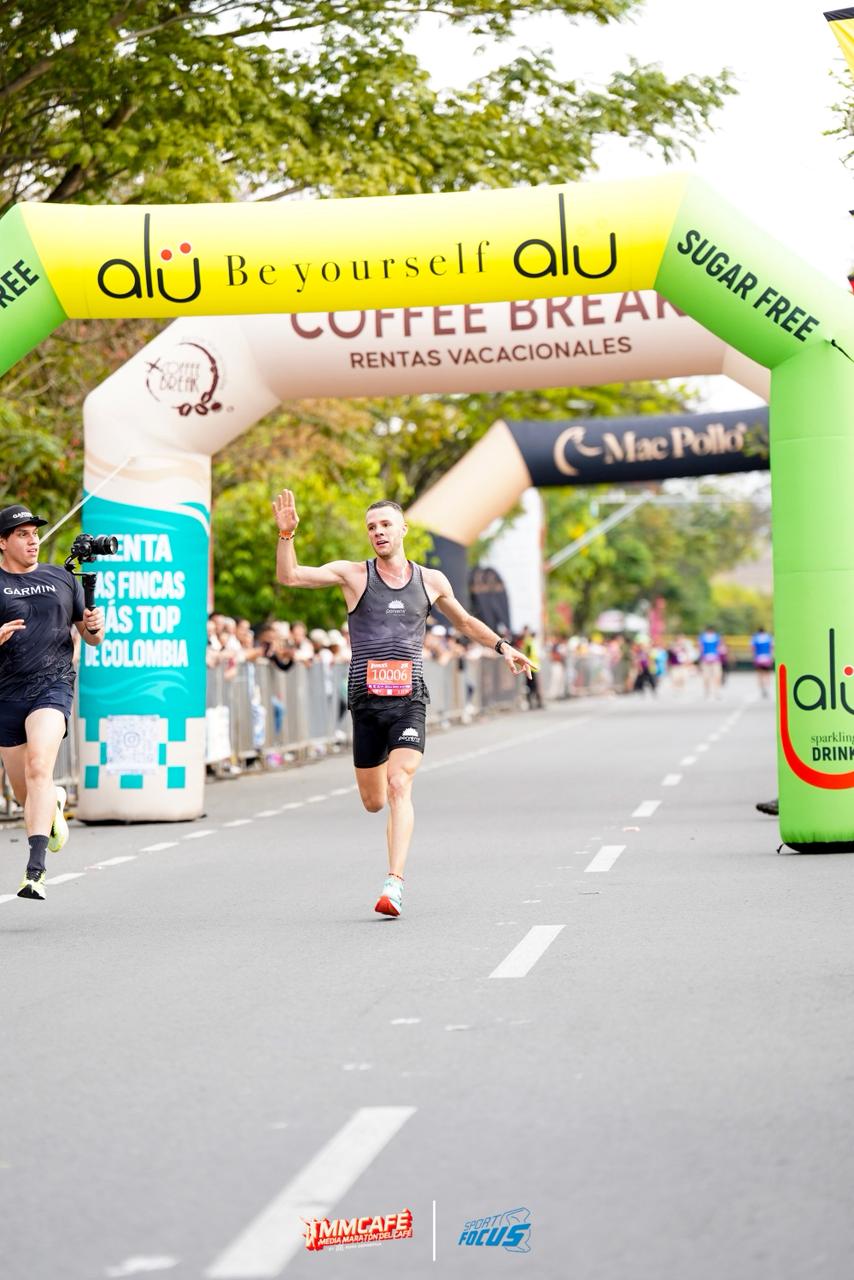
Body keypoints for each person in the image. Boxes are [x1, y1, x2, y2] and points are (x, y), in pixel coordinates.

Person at [272, 490, 534, 917]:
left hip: (410, 700)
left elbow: (465, 622)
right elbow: (292, 576)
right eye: (372, 527)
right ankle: (391, 866)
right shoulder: (355, 575)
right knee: (374, 800)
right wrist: (286, 535)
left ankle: (393, 884)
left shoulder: (431, 581)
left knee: (399, 785)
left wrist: (504, 647)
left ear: (402, 529)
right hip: (366, 702)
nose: (378, 532)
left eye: (385, 525)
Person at [0, 504, 105, 899]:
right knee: (26, 792)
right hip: (6, 693)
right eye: (22, 534)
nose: (32, 540)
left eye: (35, 533)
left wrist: (96, 628)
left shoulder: (61, 578)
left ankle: (34, 871)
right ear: (2, 542)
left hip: (52, 686)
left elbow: (91, 635)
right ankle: (53, 807)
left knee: (40, 765)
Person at [697, 624, 723, 698]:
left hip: (712, 658)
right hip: (709, 659)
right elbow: (719, 647)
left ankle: (714, 691)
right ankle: (710, 691)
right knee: (708, 676)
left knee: (716, 676)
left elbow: (700, 647)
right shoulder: (705, 637)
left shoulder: (714, 637)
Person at [751, 626, 774, 698]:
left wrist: (754, 657)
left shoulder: (755, 637)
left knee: (760, 675)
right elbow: (772, 647)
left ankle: (762, 689)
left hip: (759, 658)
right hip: (767, 657)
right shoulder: (769, 637)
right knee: (767, 674)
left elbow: (753, 648)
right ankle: (767, 688)